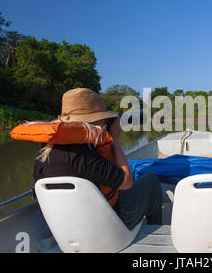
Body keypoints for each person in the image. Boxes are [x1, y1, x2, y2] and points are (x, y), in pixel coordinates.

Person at [32, 88, 162, 230]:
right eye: (103, 118)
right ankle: (154, 229)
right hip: (107, 226)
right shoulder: (84, 155)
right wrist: (115, 140)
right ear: (94, 120)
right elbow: (126, 182)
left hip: (67, 227)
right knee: (151, 180)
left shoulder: (45, 150)